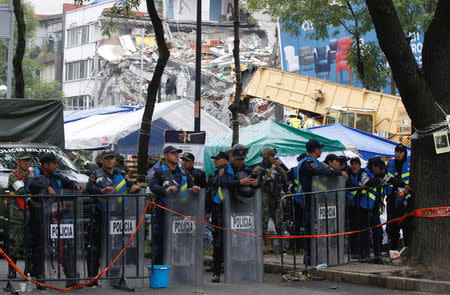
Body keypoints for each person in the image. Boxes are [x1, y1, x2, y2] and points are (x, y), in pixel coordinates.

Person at [27, 152, 85, 288]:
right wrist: (46, 187)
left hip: (57, 218)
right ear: (45, 165)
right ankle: (40, 280)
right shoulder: (33, 175)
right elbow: (31, 185)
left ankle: (71, 278)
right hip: (39, 219)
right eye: (54, 163)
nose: (56, 165)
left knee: (64, 247)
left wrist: (76, 185)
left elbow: (69, 181)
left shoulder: (56, 175)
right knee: (40, 248)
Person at [85, 149, 140, 286]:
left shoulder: (120, 174)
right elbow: (89, 188)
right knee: (95, 248)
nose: (110, 160)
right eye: (107, 158)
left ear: (115, 160)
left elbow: (127, 185)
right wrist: (101, 191)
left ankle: (114, 278)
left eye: (112, 158)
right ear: (102, 160)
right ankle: (92, 279)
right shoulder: (95, 174)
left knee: (115, 248)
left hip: (117, 217)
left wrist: (134, 187)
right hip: (100, 216)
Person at [293, 139, 349, 264]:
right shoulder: (308, 163)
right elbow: (321, 171)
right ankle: (309, 259)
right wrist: (339, 172)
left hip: (317, 202)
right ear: (315, 150)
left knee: (318, 229)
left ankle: (317, 256)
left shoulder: (314, 162)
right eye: (320, 149)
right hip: (310, 202)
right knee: (311, 230)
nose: (321, 151)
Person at [149, 146, 200, 266]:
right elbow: (153, 186)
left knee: (182, 242)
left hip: (182, 213)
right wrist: (165, 190)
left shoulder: (185, 173)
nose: (177, 155)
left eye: (177, 153)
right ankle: (158, 272)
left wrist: (194, 188)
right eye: (173, 153)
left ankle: (180, 272)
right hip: (164, 213)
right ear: (166, 156)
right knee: (160, 243)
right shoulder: (159, 172)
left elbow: (190, 186)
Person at [216, 145, 258, 282]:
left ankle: (242, 270)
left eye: (242, 159)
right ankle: (216, 271)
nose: (241, 161)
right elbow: (223, 182)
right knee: (221, 240)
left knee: (242, 240)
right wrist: (240, 182)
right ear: (231, 157)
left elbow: (256, 186)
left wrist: (256, 182)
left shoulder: (246, 168)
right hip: (222, 206)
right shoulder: (224, 168)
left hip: (241, 207)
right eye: (238, 159)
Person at [254, 147, 288, 253]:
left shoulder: (276, 167)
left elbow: (285, 178)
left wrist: (279, 167)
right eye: (271, 156)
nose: (273, 158)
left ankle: (281, 245)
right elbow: (255, 182)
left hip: (275, 196)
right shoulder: (259, 168)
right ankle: (267, 244)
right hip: (264, 195)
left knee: (278, 220)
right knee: (264, 219)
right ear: (266, 157)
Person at [6, 151, 32, 278]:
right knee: (16, 243)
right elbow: (21, 190)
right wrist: (34, 185)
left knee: (30, 243)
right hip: (18, 214)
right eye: (24, 160)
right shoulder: (13, 175)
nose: (26, 163)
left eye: (28, 160)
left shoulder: (31, 174)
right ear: (18, 162)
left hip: (31, 212)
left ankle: (28, 269)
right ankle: (12, 269)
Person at [204, 151, 229, 282]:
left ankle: (220, 267)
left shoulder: (226, 172)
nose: (215, 161)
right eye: (215, 159)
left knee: (222, 239)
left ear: (225, 160)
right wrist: (207, 211)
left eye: (218, 159)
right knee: (216, 237)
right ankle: (216, 264)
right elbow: (209, 193)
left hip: (225, 210)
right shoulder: (214, 174)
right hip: (215, 210)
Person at [385, 144, 412, 251]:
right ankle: (393, 250)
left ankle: (407, 249)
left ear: (404, 153)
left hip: (406, 197)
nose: (399, 154)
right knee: (392, 225)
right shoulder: (391, 164)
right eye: (397, 151)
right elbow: (386, 178)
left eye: (401, 152)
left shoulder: (410, 162)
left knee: (406, 225)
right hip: (392, 197)